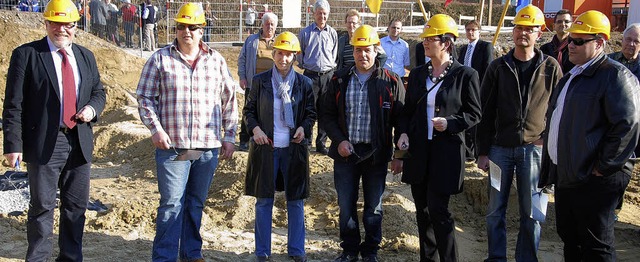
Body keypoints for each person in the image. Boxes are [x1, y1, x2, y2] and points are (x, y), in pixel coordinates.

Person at [3, 0, 106, 260]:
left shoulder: (85, 56)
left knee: (76, 207)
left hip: (79, 140)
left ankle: (71, 257)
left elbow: (98, 92)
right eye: (56, 23)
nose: (62, 29)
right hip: (44, 141)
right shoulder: (26, 55)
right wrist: (13, 145)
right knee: (42, 208)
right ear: (46, 23)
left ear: (75, 26)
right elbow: (13, 104)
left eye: (68, 25)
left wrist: (92, 110)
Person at [136, 3, 238, 261]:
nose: (186, 32)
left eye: (192, 27)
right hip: (173, 148)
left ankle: (191, 253)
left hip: (207, 147)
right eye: (182, 26)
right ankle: (165, 257)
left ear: (202, 30)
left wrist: (229, 136)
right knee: (171, 205)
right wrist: (155, 129)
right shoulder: (160, 59)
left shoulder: (216, 60)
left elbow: (229, 99)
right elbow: (145, 97)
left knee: (195, 203)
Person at [540, 11, 640, 261]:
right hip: (569, 173)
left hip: (595, 179)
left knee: (596, 244)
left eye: (579, 41)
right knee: (570, 237)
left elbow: (627, 126)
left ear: (599, 43)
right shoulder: (573, 75)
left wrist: (602, 166)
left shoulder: (615, 75)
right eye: (571, 39)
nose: (570, 44)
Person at [475, 5, 563, 262]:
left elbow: (559, 109)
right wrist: (482, 150)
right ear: (513, 32)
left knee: (533, 212)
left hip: (534, 151)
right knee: (494, 211)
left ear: (539, 33)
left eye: (529, 29)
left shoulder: (551, 67)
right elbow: (485, 111)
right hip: (500, 150)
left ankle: (526, 258)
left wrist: (546, 141)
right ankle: (496, 258)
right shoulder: (498, 67)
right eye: (519, 28)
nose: (523, 33)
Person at [396, 14, 481, 262]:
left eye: (430, 38)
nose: (424, 42)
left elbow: (474, 114)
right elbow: (406, 112)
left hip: (446, 154)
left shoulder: (465, 75)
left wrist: (450, 123)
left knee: (438, 210)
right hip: (420, 153)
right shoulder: (418, 74)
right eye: (424, 38)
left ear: (446, 42)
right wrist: (401, 138)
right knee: (422, 212)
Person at [322, 24, 405, 262]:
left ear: (376, 50)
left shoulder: (390, 81)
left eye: (367, 50)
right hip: (345, 154)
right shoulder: (339, 79)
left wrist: (399, 157)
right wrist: (338, 141)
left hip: (376, 156)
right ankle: (349, 249)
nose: (362, 55)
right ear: (353, 51)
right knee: (346, 205)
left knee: (374, 208)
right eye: (358, 50)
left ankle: (370, 251)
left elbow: (402, 122)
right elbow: (327, 115)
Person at [244, 31, 316, 262]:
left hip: (293, 150)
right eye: (279, 53)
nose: (283, 59)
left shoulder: (304, 84)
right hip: (267, 149)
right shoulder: (260, 81)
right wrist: (255, 130)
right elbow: (249, 112)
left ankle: (296, 250)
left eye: (288, 55)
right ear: (273, 53)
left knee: (295, 201)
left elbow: (310, 113)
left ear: (294, 56)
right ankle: (262, 252)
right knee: (264, 201)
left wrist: (304, 128)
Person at [297, 0, 338, 155]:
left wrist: (328, 68)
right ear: (313, 14)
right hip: (310, 76)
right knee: (308, 109)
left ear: (328, 14)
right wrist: (306, 66)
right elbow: (300, 54)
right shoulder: (305, 33)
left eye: (324, 13)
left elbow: (334, 55)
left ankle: (321, 143)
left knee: (325, 110)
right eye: (319, 13)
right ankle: (307, 141)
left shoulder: (333, 33)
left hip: (328, 76)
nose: (322, 16)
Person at [608, 23, 640, 218]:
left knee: (625, 169)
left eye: (637, 41)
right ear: (622, 40)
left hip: (634, 129)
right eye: (629, 39)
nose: (631, 44)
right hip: (609, 125)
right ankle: (607, 206)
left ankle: (615, 207)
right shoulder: (609, 62)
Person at [238, 12, 278, 151]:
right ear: (262, 24)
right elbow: (242, 59)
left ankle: (266, 137)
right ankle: (244, 139)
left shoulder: (279, 42)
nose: (270, 27)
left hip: (272, 85)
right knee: (249, 110)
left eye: (272, 24)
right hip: (253, 83)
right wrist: (242, 77)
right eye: (267, 24)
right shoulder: (251, 40)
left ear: (276, 26)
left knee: (267, 112)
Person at [457, 20, 494, 162]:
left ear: (479, 31)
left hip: (477, 89)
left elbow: (487, 69)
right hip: (463, 89)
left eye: (473, 30)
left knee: (476, 121)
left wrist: (482, 90)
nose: (470, 32)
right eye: (468, 30)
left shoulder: (485, 47)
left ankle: (475, 152)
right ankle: (467, 153)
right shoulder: (464, 49)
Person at [540, 9, 575, 73]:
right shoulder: (544, 49)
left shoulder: (576, 47)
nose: (563, 24)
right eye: (559, 22)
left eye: (566, 21)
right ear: (554, 26)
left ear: (572, 25)